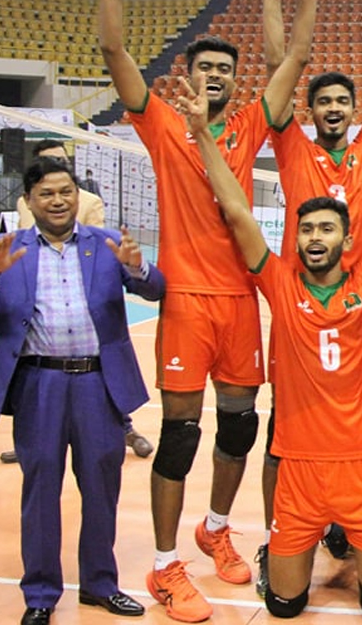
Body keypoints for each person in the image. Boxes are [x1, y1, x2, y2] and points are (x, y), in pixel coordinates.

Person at [99, 0, 304, 618]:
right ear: (186, 74)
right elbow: (114, 49)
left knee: (240, 427)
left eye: (224, 69)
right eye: (205, 66)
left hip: (240, 299)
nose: (215, 74)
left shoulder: (247, 124)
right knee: (180, 435)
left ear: (235, 81)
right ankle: (165, 565)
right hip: (188, 301)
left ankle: (215, 528)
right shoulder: (163, 124)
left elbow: (294, 60)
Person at [182, 74, 362, 622]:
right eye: (307, 230)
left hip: (360, 468)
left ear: (347, 239)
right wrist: (202, 135)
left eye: (327, 229)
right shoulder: (281, 283)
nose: (315, 238)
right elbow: (237, 210)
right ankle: (291, 542)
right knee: (284, 607)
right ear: (296, 237)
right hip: (299, 474)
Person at [0, 158, 165, 625]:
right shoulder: (7, 248)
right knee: (41, 488)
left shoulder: (107, 245)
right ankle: (41, 594)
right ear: (28, 200)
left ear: (78, 196)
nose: (59, 201)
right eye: (47, 193)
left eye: (66, 191)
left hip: (98, 383)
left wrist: (139, 267)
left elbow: (157, 289)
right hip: (38, 384)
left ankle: (100, 585)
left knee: (101, 487)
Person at [2, 140, 153, 463]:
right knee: (40, 461)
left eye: (61, 160)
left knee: (99, 459)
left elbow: (99, 247)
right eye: (49, 161)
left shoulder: (91, 204)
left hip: (85, 309)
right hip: (39, 318)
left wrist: (129, 266)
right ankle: (32, 440)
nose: (57, 198)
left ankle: (124, 427)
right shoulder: (23, 206)